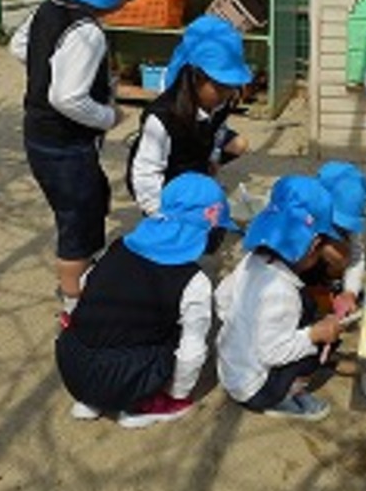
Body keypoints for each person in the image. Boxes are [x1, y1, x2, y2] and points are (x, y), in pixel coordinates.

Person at [9, 0, 147, 313]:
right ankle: (74, 301)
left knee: (92, 195)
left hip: (38, 136)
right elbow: (67, 97)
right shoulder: (87, 33)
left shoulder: (47, 9)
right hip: (65, 144)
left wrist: (45, 64)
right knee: (77, 220)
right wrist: (108, 116)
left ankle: (85, 268)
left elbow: (18, 46)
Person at [56, 172, 241, 428]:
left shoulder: (119, 246)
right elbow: (192, 352)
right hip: (126, 377)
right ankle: (141, 408)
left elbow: (87, 288)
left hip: (71, 362)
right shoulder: (193, 281)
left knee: (111, 326)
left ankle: (90, 401)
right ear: (210, 231)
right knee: (176, 335)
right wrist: (177, 395)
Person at [215, 175, 343, 420]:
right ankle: (282, 396)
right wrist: (314, 335)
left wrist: (244, 326)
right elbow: (272, 353)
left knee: (305, 308)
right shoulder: (282, 291)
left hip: (231, 368)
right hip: (254, 388)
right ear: (314, 244)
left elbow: (222, 298)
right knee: (326, 340)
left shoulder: (252, 260)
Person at [127, 15, 252, 215]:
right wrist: (162, 216)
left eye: (231, 86)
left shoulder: (221, 101)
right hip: (165, 179)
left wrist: (213, 157)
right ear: (195, 77)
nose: (227, 94)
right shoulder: (162, 117)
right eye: (220, 87)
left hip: (192, 161)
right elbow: (145, 176)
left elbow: (218, 130)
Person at [314, 161, 366, 320]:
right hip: (296, 264)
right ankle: (311, 285)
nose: (341, 224)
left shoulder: (350, 228)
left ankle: (327, 281)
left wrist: (350, 292)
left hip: (318, 256)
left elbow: (356, 256)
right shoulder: (303, 214)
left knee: (340, 254)